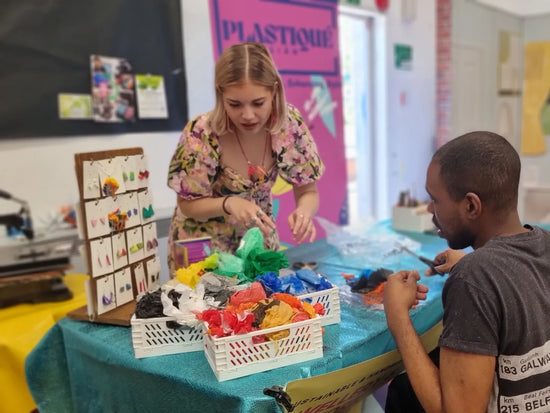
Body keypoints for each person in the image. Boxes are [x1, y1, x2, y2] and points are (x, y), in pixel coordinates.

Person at [383, 131, 550, 413]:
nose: (429, 209)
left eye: (435, 199)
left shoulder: (473, 279)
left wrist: (398, 318)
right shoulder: (543, 242)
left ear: (471, 205)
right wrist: (472, 262)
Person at [166, 42, 324, 276]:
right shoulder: (202, 133)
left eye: (258, 103)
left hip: (256, 247)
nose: (248, 115)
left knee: (265, 309)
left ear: (274, 91)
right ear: (221, 94)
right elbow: (187, 205)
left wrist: (304, 212)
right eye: (235, 104)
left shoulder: (289, 125)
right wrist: (228, 203)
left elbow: (308, 192)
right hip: (204, 250)